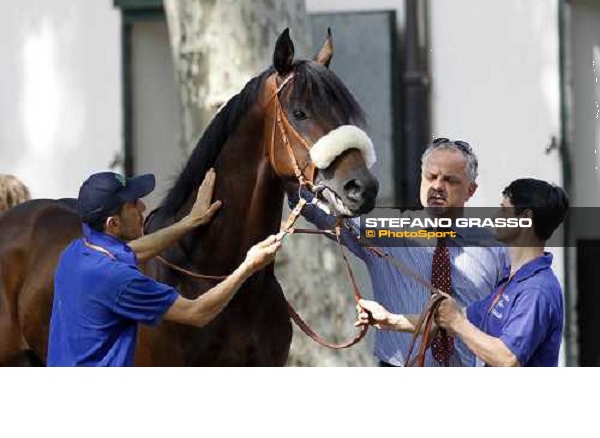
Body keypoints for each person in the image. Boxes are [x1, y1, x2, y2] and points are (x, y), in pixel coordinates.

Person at [293, 138, 508, 367]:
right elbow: (316, 209)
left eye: (449, 180)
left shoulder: (495, 247)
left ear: (470, 190)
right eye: (431, 177)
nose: (437, 186)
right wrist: (294, 168)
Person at [47, 168, 282, 367]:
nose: (143, 207)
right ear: (113, 223)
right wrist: (249, 266)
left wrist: (190, 221)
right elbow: (197, 312)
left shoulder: (77, 252)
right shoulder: (118, 279)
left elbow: (134, 251)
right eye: (133, 204)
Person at [358, 178, 567, 367]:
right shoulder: (509, 282)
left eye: (503, 210)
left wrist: (457, 322)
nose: (495, 217)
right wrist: (387, 319)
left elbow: (507, 358)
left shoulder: (536, 290)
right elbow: (442, 322)